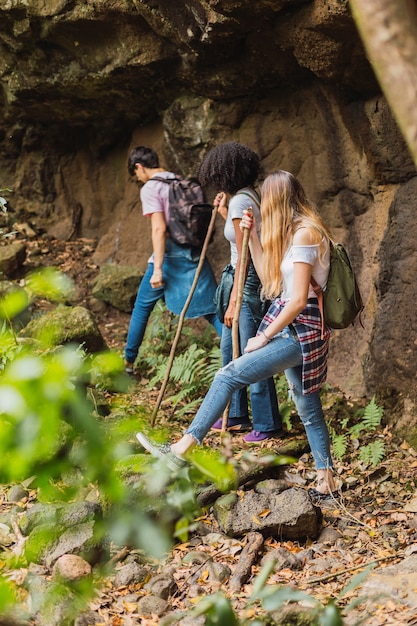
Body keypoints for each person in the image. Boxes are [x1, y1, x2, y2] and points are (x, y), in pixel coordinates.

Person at [137, 170, 338, 501]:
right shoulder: (294, 234)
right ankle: (327, 480)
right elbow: (270, 279)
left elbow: (299, 299)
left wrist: (263, 337)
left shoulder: (307, 234)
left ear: (278, 201)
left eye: (267, 204)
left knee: (230, 374)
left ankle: (180, 451)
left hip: (300, 328)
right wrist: (254, 236)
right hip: (290, 324)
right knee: (307, 405)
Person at [196, 142, 282, 443]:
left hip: (246, 280)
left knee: (249, 352)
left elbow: (244, 253)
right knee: (228, 348)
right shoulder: (248, 197)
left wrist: (234, 302)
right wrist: (222, 211)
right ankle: (235, 413)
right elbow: (241, 236)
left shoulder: (239, 201)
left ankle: (267, 422)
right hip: (249, 278)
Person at [124, 146, 223, 374]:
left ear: (139, 167)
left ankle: (128, 364)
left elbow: (159, 228)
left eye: (136, 174)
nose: (138, 179)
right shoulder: (180, 181)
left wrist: (158, 269)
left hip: (169, 258)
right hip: (194, 254)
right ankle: (238, 353)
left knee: (142, 307)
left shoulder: (151, 188)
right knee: (212, 310)